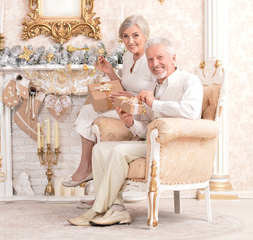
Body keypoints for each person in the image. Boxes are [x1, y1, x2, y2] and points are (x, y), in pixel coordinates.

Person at [67, 37, 203, 226]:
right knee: (100, 149)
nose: (155, 64)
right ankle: (117, 209)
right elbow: (146, 128)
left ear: (173, 58)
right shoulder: (152, 86)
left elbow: (192, 111)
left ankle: (97, 209)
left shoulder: (190, 81)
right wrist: (130, 122)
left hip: (173, 147)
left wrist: (155, 103)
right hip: (151, 142)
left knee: (118, 151)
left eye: (160, 57)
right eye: (150, 59)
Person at [62, 15, 155, 187]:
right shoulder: (128, 56)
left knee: (88, 112)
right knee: (89, 107)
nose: (130, 41)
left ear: (145, 36)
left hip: (140, 112)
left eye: (135, 35)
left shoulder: (151, 60)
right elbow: (123, 87)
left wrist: (132, 99)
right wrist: (110, 72)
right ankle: (92, 176)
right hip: (125, 104)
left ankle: (85, 167)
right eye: (126, 36)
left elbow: (154, 96)